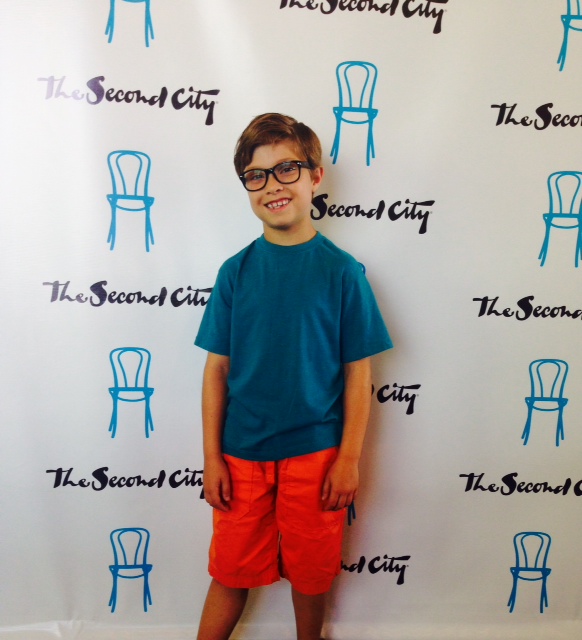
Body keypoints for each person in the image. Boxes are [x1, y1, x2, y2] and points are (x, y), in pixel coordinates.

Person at [194, 113, 392, 640]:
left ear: (315, 176)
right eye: (256, 175)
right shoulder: (235, 272)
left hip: (317, 457)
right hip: (241, 456)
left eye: (287, 169)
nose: (273, 185)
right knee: (230, 571)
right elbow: (216, 370)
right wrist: (212, 457)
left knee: (311, 574)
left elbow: (358, 375)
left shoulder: (342, 272)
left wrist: (348, 459)